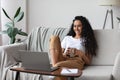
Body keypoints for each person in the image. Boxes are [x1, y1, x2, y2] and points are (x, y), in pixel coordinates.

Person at [49, 16, 98, 80]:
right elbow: (59, 53)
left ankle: (54, 69)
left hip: (76, 61)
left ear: (84, 27)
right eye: (75, 26)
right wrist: (64, 54)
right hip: (64, 58)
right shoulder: (67, 38)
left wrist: (80, 53)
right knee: (54, 38)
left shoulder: (87, 40)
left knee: (58, 66)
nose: (76, 28)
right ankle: (55, 67)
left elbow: (88, 62)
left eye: (79, 26)